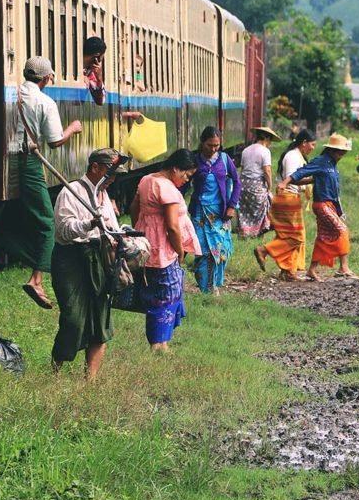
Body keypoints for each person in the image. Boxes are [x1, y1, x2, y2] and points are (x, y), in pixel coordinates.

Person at [0, 56, 83, 309]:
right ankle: (36, 279)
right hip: (28, 162)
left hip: (5, 158)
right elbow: (55, 141)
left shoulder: (11, 93)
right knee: (48, 222)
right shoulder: (44, 101)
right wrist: (73, 129)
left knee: (18, 214)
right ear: (46, 78)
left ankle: (1, 244)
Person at [49, 148, 123, 378]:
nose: (113, 178)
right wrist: (89, 224)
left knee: (100, 320)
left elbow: (112, 227)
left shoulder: (103, 195)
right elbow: (63, 230)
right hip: (71, 259)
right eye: (109, 172)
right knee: (73, 319)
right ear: (95, 168)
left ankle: (89, 381)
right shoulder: (70, 192)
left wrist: (118, 236)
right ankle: (56, 371)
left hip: (98, 258)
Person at [130, 149, 201, 351]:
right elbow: (172, 226)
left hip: (147, 246)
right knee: (166, 295)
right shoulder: (167, 188)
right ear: (175, 168)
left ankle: (160, 342)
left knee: (154, 294)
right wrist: (179, 252)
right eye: (186, 175)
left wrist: (140, 230)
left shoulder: (146, 179)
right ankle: (159, 344)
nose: (186, 180)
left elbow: (134, 207)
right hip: (163, 251)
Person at [279, 133, 355, 281]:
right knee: (342, 230)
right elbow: (302, 171)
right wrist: (285, 182)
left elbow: (319, 181)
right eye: (340, 152)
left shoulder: (332, 163)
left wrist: (339, 209)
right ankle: (343, 268)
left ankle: (311, 271)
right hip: (321, 205)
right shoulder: (321, 161)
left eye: (343, 153)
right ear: (332, 150)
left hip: (331, 205)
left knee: (323, 237)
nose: (342, 155)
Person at [256, 129, 317, 281]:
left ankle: (288, 270)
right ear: (304, 143)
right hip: (287, 198)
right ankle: (264, 250)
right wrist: (312, 180)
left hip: (292, 198)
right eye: (312, 144)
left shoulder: (297, 155)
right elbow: (292, 179)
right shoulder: (292, 156)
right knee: (296, 237)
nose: (313, 147)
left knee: (287, 235)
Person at [185, 127, 241, 294]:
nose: (214, 149)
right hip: (200, 213)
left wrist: (232, 206)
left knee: (221, 250)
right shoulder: (195, 161)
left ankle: (215, 283)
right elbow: (184, 182)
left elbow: (237, 182)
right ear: (202, 143)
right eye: (210, 145)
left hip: (220, 214)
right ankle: (206, 289)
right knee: (202, 251)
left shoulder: (224, 159)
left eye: (217, 145)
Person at [239, 127, 279, 237]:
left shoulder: (246, 150)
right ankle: (258, 232)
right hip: (257, 184)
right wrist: (269, 186)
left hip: (244, 185)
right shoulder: (265, 151)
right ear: (266, 138)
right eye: (270, 140)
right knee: (261, 208)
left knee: (246, 210)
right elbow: (267, 171)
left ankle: (246, 232)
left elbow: (242, 170)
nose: (270, 143)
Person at [82, 36, 107, 105]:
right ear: (97, 57)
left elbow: (101, 101)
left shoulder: (91, 74)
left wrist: (99, 80)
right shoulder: (89, 74)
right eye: (101, 59)